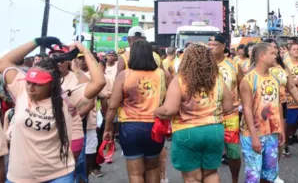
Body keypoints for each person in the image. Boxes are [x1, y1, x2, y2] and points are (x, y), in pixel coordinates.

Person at [0, 37, 106, 183]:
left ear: (52, 83)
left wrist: (83, 50)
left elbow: (99, 82)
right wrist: (37, 42)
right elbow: (3, 63)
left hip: (58, 175)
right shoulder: (21, 90)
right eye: (29, 82)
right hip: (19, 177)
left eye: (38, 84)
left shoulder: (67, 98)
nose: (31, 88)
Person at [154, 44, 233, 183]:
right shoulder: (218, 80)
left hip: (187, 132)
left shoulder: (180, 80)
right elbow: (228, 107)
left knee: (192, 178)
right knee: (211, 174)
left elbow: (169, 110)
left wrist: (156, 110)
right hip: (214, 131)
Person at [104, 40, 169, 183]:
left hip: (130, 127)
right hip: (155, 127)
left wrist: (108, 128)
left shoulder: (124, 75)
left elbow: (113, 106)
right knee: (153, 168)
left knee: (135, 174)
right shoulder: (161, 74)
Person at [263, 39, 298, 183]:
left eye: (275, 47)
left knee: (279, 141)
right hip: (262, 109)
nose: (274, 50)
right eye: (270, 48)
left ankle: (274, 172)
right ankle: (263, 172)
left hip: (281, 106)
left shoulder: (283, 67)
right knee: (264, 141)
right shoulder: (259, 67)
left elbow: (292, 88)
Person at [240, 43, 285, 183]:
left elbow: (278, 104)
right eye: (272, 53)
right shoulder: (248, 80)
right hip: (253, 134)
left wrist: (281, 129)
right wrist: (254, 136)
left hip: (271, 133)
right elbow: (246, 109)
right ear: (262, 56)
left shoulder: (275, 78)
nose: (276, 56)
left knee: (269, 175)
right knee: (253, 176)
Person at [208, 35, 243, 183]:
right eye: (209, 44)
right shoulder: (203, 66)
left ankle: (234, 179)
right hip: (209, 115)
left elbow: (243, 87)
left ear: (223, 47)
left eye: (214, 44)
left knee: (233, 153)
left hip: (231, 115)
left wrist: (244, 109)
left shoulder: (234, 65)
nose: (210, 47)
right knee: (211, 152)